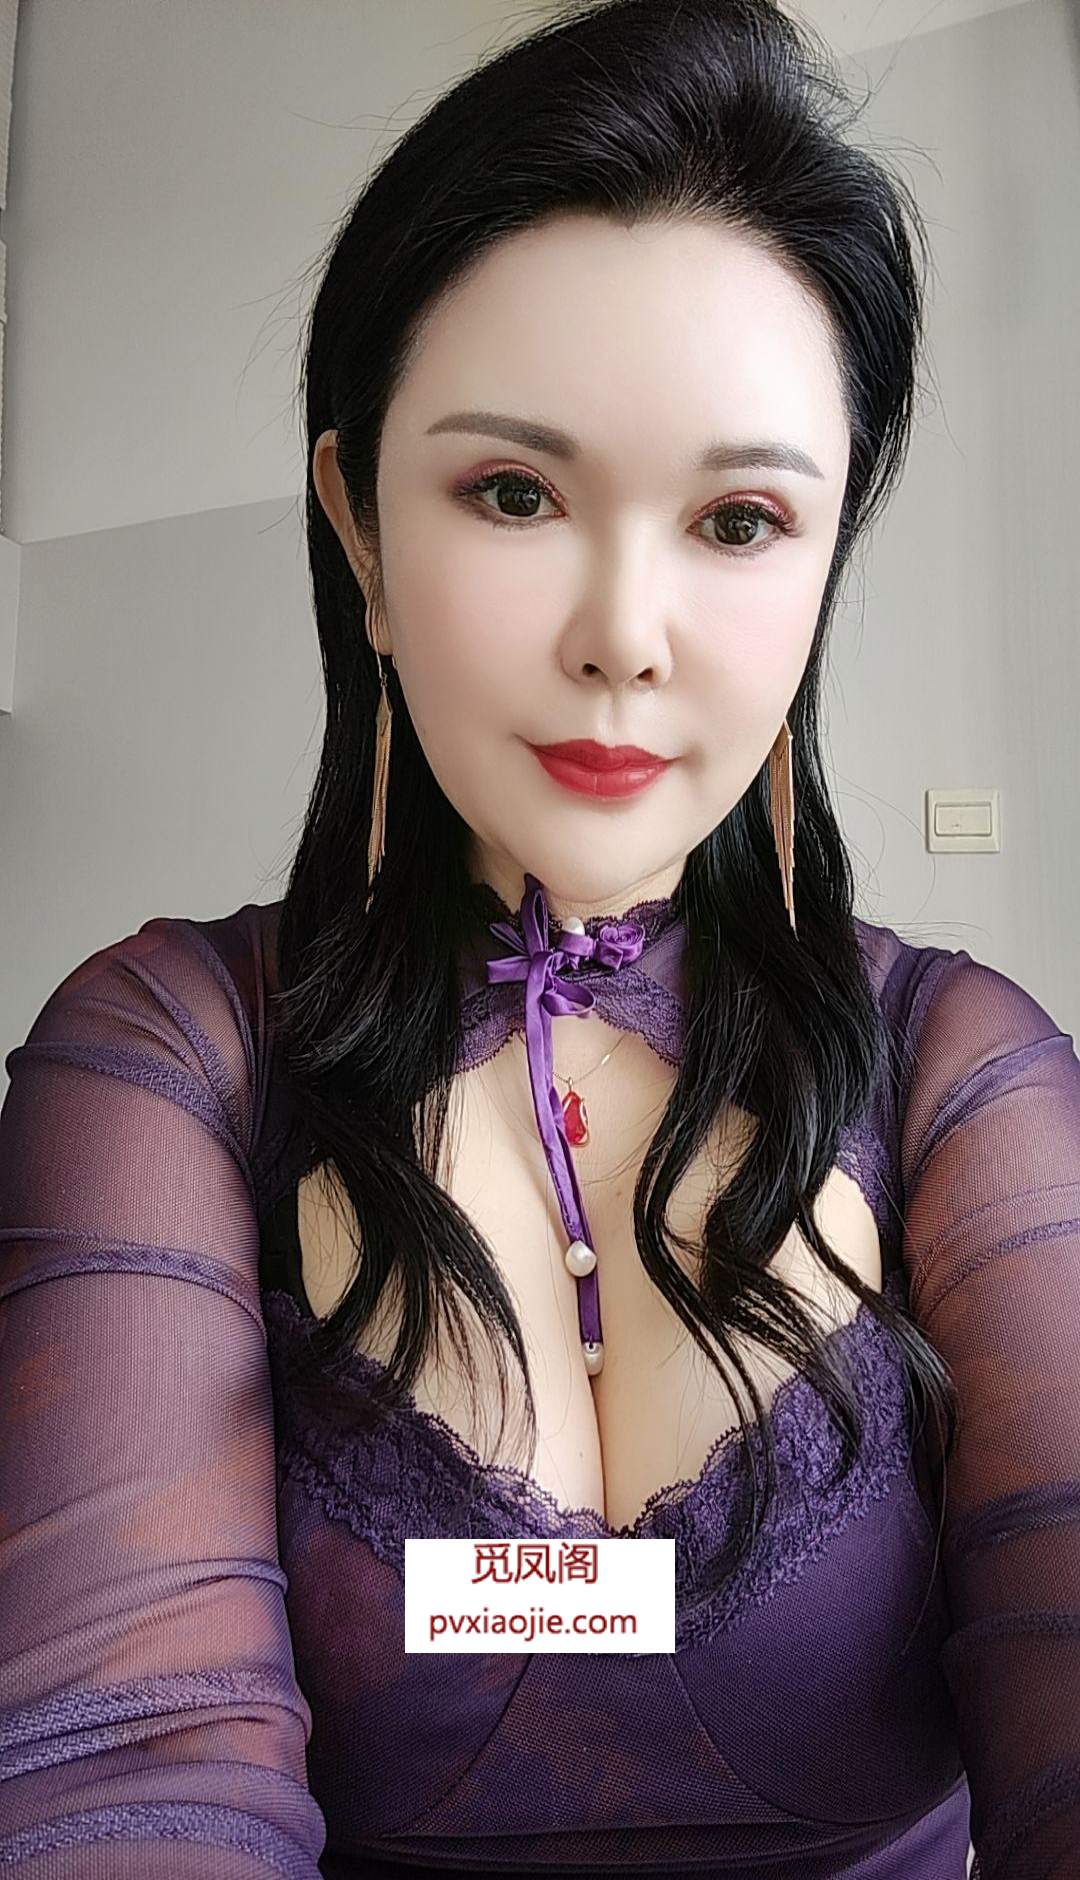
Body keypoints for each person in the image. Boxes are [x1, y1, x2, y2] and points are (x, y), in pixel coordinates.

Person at [1, 0, 1078, 1873]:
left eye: (739, 520)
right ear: (358, 526)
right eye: (512, 492)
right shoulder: (169, 1053)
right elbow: (123, 1764)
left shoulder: (959, 1071)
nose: (623, 635)